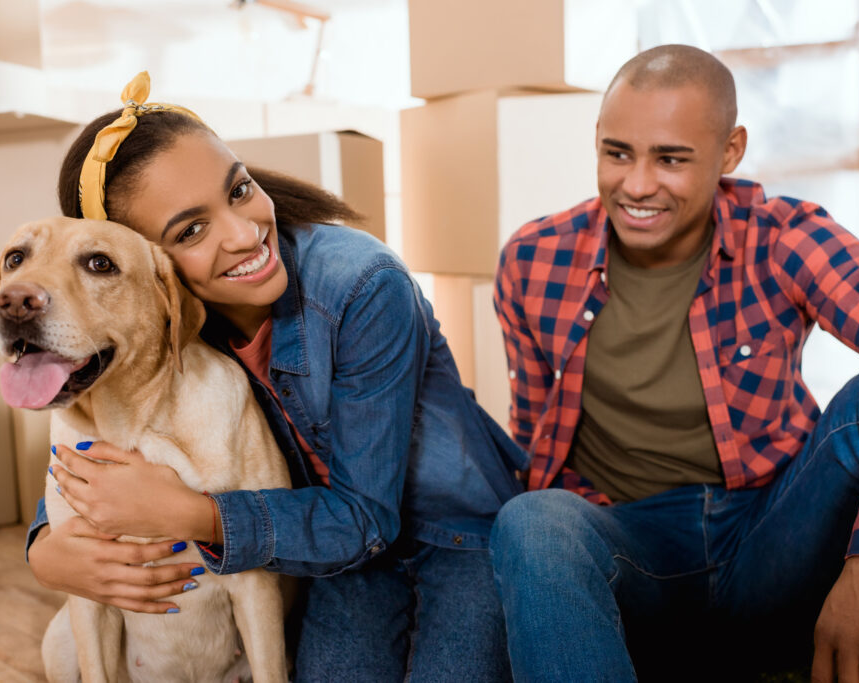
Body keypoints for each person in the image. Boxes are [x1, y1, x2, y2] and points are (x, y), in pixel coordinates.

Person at [26, 72, 526, 682]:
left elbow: (367, 518)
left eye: (238, 190)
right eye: (191, 231)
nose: (243, 233)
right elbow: (98, 427)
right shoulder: (165, 320)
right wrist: (46, 547)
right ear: (142, 271)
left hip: (452, 537)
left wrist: (196, 516)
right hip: (331, 554)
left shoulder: (362, 284)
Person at [490, 44, 859, 682]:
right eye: (617, 153)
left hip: (772, 533)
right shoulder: (533, 259)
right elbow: (532, 435)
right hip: (631, 545)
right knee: (532, 518)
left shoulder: (781, 236)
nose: (636, 185)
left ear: (729, 153)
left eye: (670, 159)